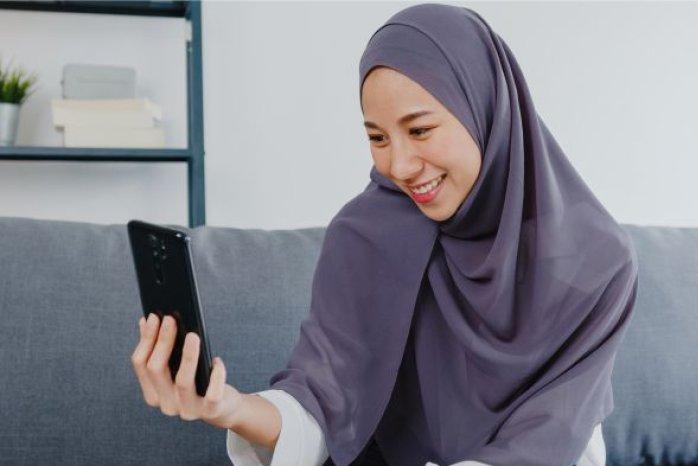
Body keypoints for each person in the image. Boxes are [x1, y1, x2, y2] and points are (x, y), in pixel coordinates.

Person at [130, 3, 639, 466]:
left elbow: (552, 437)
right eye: (377, 137)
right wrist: (229, 407)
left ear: (486, 110)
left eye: (419, 130)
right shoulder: (365, 235)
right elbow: (321, 402)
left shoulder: (595, 260)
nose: (399, 165)